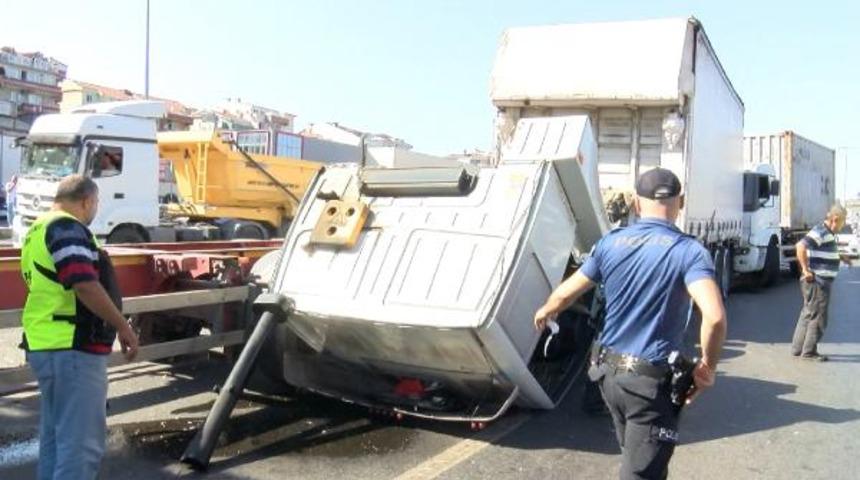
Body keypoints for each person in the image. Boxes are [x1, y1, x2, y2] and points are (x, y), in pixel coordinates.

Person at [534, 168, 727, 480]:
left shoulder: (611, 243)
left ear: (637, 204)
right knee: (641, 472)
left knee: (643, 459)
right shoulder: (689, 251)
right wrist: (708, 367)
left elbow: (566, 293)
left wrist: (546, 309)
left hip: (608, 376)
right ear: (681, 203)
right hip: (648, 387)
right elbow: (715, 317)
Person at [20, 174, 139, 479]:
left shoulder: (36, 230)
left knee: (56, 440)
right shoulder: (66, 228)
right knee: (81, 446)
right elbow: (84, 283)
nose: (96, 209)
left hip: (47, 344)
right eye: (97, 203)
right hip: (72, 348)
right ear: (86, 201)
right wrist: (122, 326)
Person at [791, 203, 851, 361]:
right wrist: (805, 269)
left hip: (817, 280)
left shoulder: (827, 233)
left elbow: (823, 250)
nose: (843, 225)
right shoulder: (821, 231)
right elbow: (800, 247)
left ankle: (798, 348)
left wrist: (840, 256)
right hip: (817, 281)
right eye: (842, 222)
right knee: (818, 317)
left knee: (808, 313)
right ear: (835, 219)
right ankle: (809, 352)